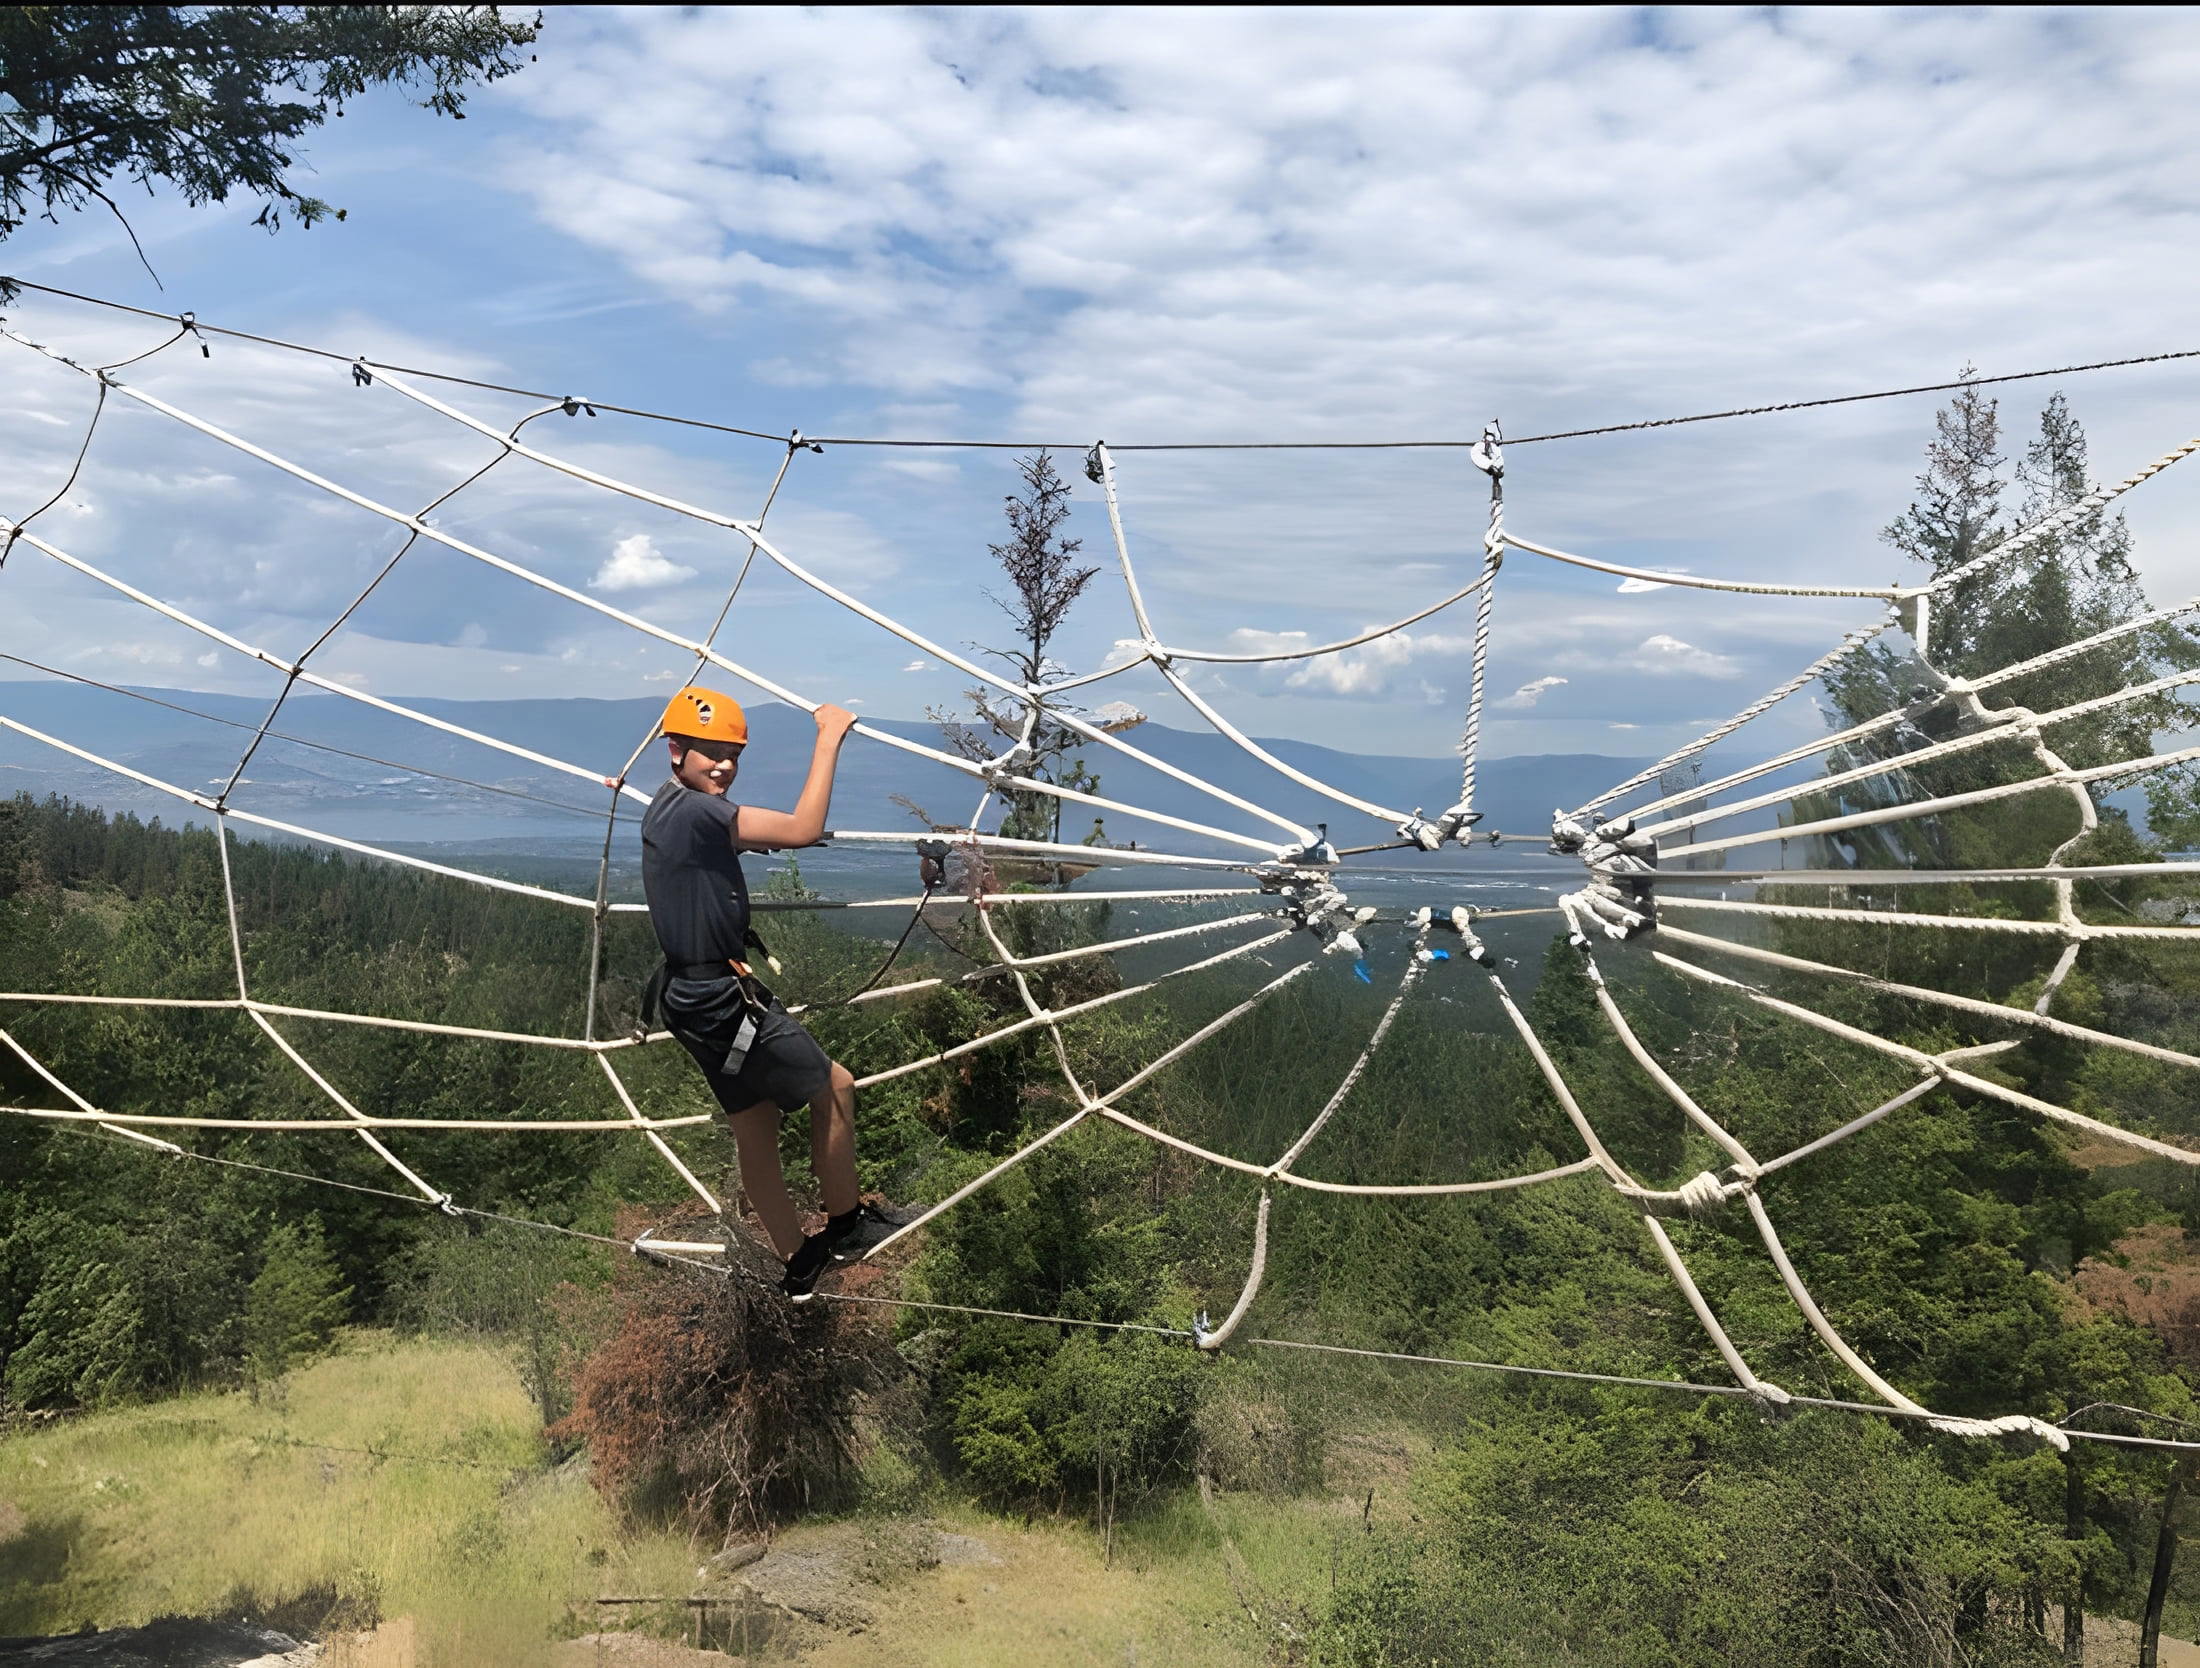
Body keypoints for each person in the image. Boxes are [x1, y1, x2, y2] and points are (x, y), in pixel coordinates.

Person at [635, 684, 916, 1300]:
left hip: (688, 997)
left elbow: (705, 843)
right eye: (710, 752)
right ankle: (845, 1224)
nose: (725, 765)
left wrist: (736, 839)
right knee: (836, 1086)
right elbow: (804, 827)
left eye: (732, 753)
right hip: (721, 998)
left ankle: (798, 1261)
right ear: (675, 751)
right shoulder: (700, 811)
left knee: (754, 1123)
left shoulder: (666, 805)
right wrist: (829, 735)